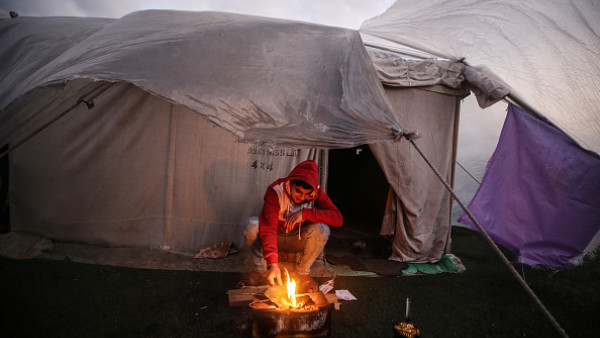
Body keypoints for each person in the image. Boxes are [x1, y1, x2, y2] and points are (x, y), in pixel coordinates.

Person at [237, 160, 343, 293]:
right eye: (298, 191)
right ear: (290, 183)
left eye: (306, 193)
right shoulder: (276, 190)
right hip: (277, 236)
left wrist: (305, 213)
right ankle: (260, 270)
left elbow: (337, 218)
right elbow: (268, 227)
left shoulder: (316, 192)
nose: (302, 197)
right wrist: (273, 264)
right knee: (251, 225)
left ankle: (303, 274)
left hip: (297, 239)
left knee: (322, 229)